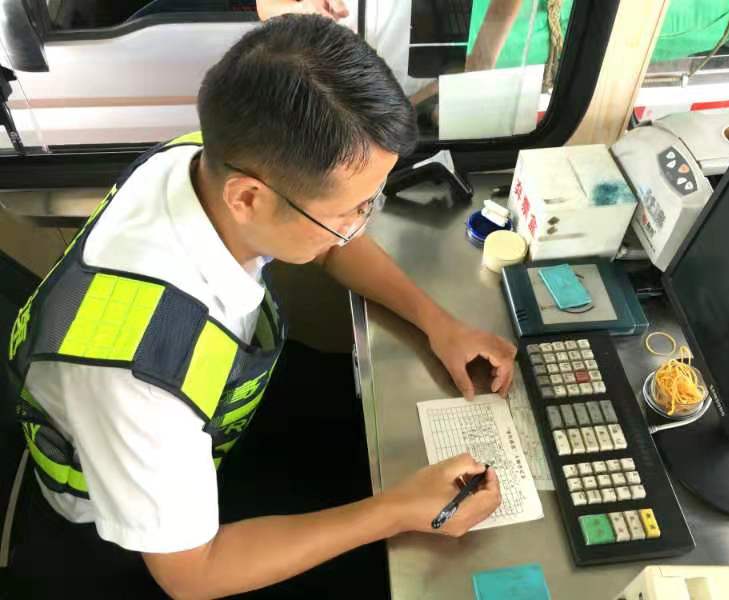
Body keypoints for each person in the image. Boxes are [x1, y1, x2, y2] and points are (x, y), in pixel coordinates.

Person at [5, 14, 516, 599]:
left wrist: (438, 323)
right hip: (138, 542)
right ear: (248, 198)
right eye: (350, 211)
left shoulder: (203, 159)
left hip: (213, 419)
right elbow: (193, 575)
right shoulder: (134, 376)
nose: (359, 225)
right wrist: (397, 510)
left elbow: (330, 244)